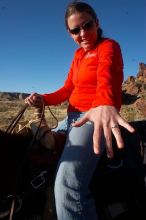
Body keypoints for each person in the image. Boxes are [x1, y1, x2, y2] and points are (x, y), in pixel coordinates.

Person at [25, 1, 135, 219]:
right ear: (69, 33)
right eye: (76, 30)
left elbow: (106, 75)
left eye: (87, 25)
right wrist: (42, 98)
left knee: (68, 186)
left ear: (97, 23)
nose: (82, 33)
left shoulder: (108, 46)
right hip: (70, 118)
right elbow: (67, 88)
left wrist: (104, 103)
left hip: (93, 116)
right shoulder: (78, 56)